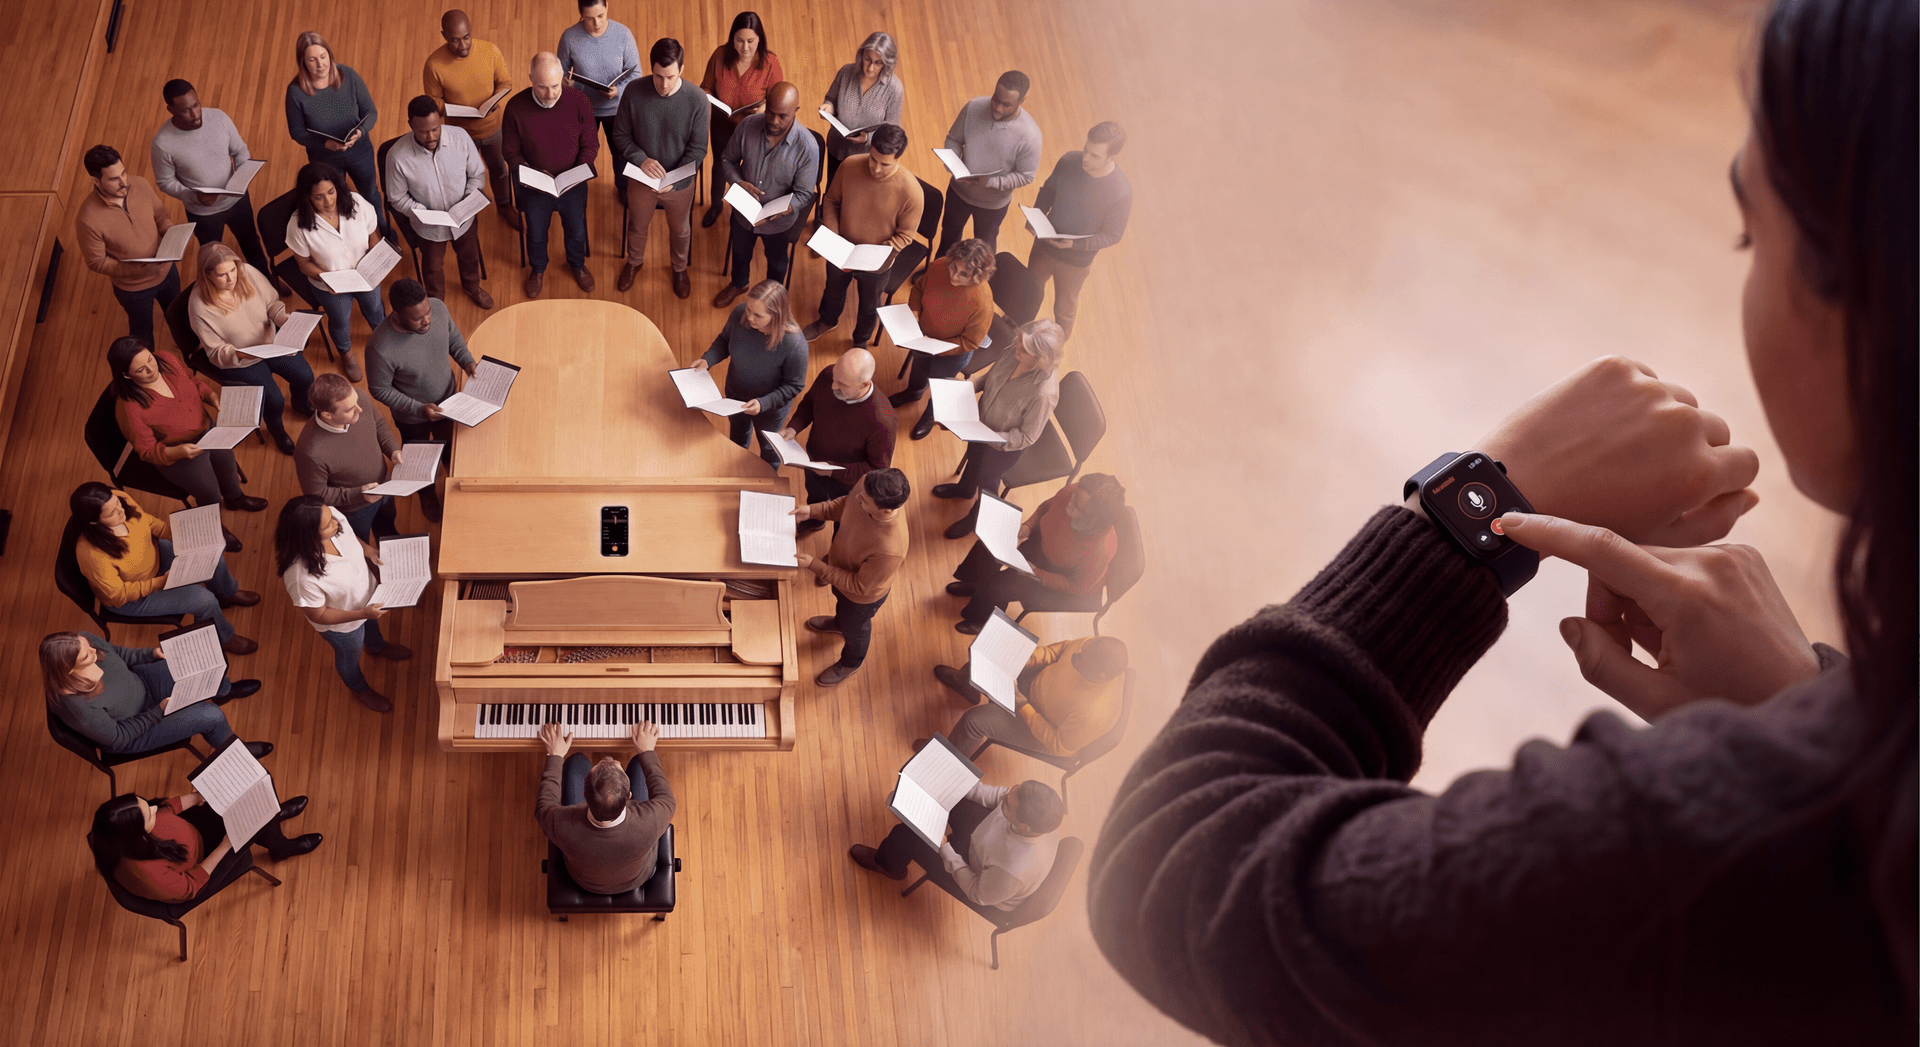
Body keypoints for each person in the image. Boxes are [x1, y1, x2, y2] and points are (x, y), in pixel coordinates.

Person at [1087, 0, 1917, 1041]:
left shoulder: (1737, 857)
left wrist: (1468, 511)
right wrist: (1809, 701)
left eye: (1756, 234)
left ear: (1872, 307)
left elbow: (1181, 862)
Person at [66, 482, 259, 656]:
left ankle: (226, 593)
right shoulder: (92, 555)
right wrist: (161, 582)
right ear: (94, 522)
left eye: (117, 503)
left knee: (210, 555)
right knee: (204, 600)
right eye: (112, 513)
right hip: (133, 597)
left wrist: (180, 537)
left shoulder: (118, 499)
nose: (121, 510)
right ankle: (224, 637)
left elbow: (147, 522)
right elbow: (117, 595)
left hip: (155, 555)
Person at [108, 338, 269, 523]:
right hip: (178, 452)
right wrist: (178, 452)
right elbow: (146, 450)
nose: (152, 369)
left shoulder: (166, 359)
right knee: (210, 495)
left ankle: (235, 499)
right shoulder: (129, 408)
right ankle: (214, 526)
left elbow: (192, 381)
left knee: (228, 466)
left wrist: (211, 395)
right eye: (140, 370)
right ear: (126, 375)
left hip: (207, 430)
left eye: (150, 359)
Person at [274, 495, 411, 713]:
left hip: (368, 598)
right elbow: (318, 615)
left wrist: (368, 550)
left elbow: (350, 535)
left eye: (331, 516)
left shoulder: (331, 515)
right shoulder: (301, 576)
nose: (336, 521)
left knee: (372, 628)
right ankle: (358, 687)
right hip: (344, 626)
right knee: (350, 656)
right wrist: (361, 614)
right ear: (308, 536)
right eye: (328, 525)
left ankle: (376, 647)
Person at [933, 319, 1065, 538]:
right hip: (981, 425)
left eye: (1024, 350)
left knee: (987, 481)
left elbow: (1027, 437)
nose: (1017, 348)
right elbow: (990, 378)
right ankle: (965, 489)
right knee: (974, 457)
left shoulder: (1043, 393)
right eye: (1018, 342)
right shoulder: (1015, 349)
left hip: (1003, 447)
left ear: (1042, 359)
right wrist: (965, 389)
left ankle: (975, 518)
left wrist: (988, 436)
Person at [848, 777, 1063, 910]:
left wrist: (944, 847)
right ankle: (908, 808)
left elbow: (977, 892)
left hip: (978, 880)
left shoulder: (1011, 872)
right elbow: (997, 796)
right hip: (983, 845)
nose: (1004, 794)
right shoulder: (1036, 815)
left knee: (905, 835)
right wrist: (955, 785)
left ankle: (888, 865)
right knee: (949, 797)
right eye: (1012, 789)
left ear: (1024, 827)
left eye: (1008, 802)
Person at [187, 242, 317, 456]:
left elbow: (271, 304)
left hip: (269, 343)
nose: (232, 278)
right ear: (207, 275)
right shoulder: (198, 306)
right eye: (222, 275)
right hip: (240, 359)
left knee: (305, 375)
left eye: (233, 269)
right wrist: (241, 353)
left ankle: (301, 403)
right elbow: (215, 352)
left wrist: (282, 318)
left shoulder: (247, 272)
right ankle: (278, 431)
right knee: (274, 399)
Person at [949, 474, 1123, 634]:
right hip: (1041, 540)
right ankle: (977, 585)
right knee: (985, 549)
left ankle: (982, 620)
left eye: (1077, 505)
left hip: (1056, 575)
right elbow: (1045, 507)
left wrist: (1037, 573)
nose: (1070, 501)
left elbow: (1078, 586)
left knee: (999, 585)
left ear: (1094, 519)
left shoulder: (1100, 550)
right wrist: (1028, 525)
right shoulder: (1073, 493)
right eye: (1075, 495)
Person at [42, 631, 264, 756]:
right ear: (70, 671)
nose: (93, 651)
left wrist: (150, 653)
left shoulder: (84, 642)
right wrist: (158, 712)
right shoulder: (75, 706)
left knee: (198, 666)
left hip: (141, 683)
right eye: (86, 656)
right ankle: (236, 751)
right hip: (134, 731)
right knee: (210, 715)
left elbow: (116, 653)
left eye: (88, 646)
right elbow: (118, 738)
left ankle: (223, 691)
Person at [801, 124, 922, 348]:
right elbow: (831, 201)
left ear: (898, 159)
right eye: (873, 159)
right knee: (833, 288)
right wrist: (835, 239)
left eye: (884, 164)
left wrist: (871, 257)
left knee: (870, 305)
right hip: (841, 249)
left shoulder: (912, 192)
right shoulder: (850, 165)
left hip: (877, 261)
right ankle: (827, 321)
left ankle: (860, 340)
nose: (875, 168)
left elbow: (904, 236)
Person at [88, 788, 319, 904]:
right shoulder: (146, 873)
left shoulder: (117, 832)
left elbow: (165, 809)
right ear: (135, 835)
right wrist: (224, 846)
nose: (154, 810)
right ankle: (280, 845)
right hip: (203, 869)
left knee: (247, 805)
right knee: (257, 820)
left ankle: (272, 818)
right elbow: (190, 887)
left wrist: (196, 796)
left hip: (188, 835)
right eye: (149, 815)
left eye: (147, 805)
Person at [364, 278, 474, 521]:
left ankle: (452, 473)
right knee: (418, 462)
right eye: (417, 318)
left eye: (428, 312)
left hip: (449, 402)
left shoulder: (438, 308)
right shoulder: (379, 347)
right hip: (413, 418)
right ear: (397, 315)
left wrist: (467, 361)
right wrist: (419, 409)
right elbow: (380, 390)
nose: (427, 320)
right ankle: (426, 495)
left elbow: (452, 338)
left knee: (450, 446)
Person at [609, 38, 708, 298]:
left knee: (681, 229)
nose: (664, 84)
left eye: (671, 77)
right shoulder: (633, 91)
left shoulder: (697, 99)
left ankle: (679, 268)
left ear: (682, 70)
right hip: (642, 178)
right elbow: (620, 135)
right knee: (637, 225)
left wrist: (678, 180)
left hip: (680, 182)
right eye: (658, 76)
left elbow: (698, 150)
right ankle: (634, 262)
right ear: (650, 68)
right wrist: (641, 159)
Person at [793, 468, 910, 687]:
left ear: (885, 510)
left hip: (861, 598)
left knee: (856, 629)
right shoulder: (868, 484)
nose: (858, 498)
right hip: (843, 570)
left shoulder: (891, 548)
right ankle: (839, 623)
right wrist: (811, 511)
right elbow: (847, 505)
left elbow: (859, 586)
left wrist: (815, 566)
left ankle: (851, 662)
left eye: (864, 501)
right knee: (843, 613)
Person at [536, 720, 676, 896]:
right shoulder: (651, 822)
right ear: (629, 797)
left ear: (584, 796)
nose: (608, 758)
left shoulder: (562, 825)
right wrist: (647, 751)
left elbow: (544, 806)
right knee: (640, 763)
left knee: (577, 760)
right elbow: (667, 799)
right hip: (638, 877)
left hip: (584, 881)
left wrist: (555, 754)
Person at [150, 79, 273, 276]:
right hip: (203, 213)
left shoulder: (218, 118)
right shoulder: (162, 143)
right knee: (213, 259)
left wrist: (242, 174)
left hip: (237, 199)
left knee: (251, 242)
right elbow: (165, 182)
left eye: (196, 105)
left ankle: (268, 283)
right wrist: (192, 196)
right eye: (185, 110)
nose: (195, 114)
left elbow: (240, 150)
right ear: (171, 109)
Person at [932, 635, 1127, 757]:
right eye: (1081, 650)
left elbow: (1058, 745)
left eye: (1080, 658)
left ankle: (944, 760)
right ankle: (966, 684)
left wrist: (1023, 708)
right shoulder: (1090, 648)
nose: (1076, 654)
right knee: (990, 654)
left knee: (973, 721)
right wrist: (1024, 660)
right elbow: (1058, 651)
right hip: (1036, 685)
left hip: (1040, 728)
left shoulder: (1095, 715)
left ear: (1099, 677)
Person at [712, 81, 818, 306]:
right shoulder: (748, 125)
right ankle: (739, 283)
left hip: (779, 223)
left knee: (777, 263)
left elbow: (804, 193)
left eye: (782, 116)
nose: (773, 121)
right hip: (744, 213)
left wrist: (785, 209)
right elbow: (727, 159)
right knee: (740, 253)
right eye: (770, 112)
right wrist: (738, 182)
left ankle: (772, 299)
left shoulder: (808, 147)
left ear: (795, 112)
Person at [502, 52, 598, 298]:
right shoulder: (515, 107)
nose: (550, 94)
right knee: (535, 232)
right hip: (535, 186)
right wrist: (532, 172)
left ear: (564, 78)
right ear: (530, 79)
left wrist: (578, 170)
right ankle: (538, 269)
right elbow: (511, 153)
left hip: (572, 182)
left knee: (576, 230)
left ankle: (577, 264)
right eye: (542, 87)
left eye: (555, 86)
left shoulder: (580, 101)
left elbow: (590, 145)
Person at [385, 95, 495, 308]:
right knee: (432, 267)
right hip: (429, 227)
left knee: (469, 257)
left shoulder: (461, 137)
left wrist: (467, 201)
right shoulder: (397, 157)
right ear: (410, 125)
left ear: (441, 120)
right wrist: (421, 211)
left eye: (435, 128)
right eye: (423, 131)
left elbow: (477, 174)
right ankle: (435, 303)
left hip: (465, 218)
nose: (431, 136)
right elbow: (396, 197)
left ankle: (472, 287)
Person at [1026, 123, 1132, 341]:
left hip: (1075, 262)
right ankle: (1012, 331)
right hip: (1044, 245)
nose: (1085, 158)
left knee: (1064, 310)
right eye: (1086, 150)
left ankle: (1053, 355)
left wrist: (1075, 245)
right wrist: (1036, 217)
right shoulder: (1068, 161)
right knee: (1027, 292)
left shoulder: (1121, 192)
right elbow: (1047, 191)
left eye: (1095, 155)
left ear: (1111, 157)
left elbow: (1113, 235)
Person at [284, 162, 385, 382]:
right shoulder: (298, 225)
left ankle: (384, 337)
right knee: (340, 320)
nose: (328, 201)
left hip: (365, 273)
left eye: (331, 192)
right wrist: (326, 279)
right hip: (330, 283)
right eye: (319, 197)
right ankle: (346, 352)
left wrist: (377, 260)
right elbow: (304, 264)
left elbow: (373, 235)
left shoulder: (356, 202)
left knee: (375, 306)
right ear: (307, 197)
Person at [284, 31, 387, 239]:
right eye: (312, 60)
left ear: (330, 55)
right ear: (303, 62)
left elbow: (370, 112)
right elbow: (296, 132)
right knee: (336, 204)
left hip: (359, 151)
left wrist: (361, 131)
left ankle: (384, 234)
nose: (320, 65)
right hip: (324, 159)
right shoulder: (295, 92)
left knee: (371, 195)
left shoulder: (348, 76)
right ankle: (353, 240)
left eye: (323, 57)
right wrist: (325, 145)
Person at [422, 8, 518, 231]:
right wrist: (456, 109)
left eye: (466, 37)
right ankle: (467, 215)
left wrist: (495, 101)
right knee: (463, 176)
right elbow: (433, 102)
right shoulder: (434, 65)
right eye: (455, 40)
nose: (463, 45)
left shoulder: (489, 51)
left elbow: (505, 83)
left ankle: (504, 206)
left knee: (499, 169)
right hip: (460, 134)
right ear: (444, 35)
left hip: (494, 128)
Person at [890, 238, 996, 438]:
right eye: (953, 267)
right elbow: (919, 289)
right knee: (918, 369)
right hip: (922, 335)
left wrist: (937, 348)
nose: (954, 276)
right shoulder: (939, 265)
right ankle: (914, 392)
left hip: (952, 352)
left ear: (979, 276)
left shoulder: (982, 302)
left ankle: (931, 413)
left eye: (963, 274)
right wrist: (914, 311)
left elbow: (970, 342)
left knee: (940, 385)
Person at [76, 145, 180, 347]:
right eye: (114, 179)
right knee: (142, 335)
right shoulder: (87, 218)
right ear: (96, 181)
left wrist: (172, 235)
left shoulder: (139, 184)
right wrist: (132, 270)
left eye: (123, 173)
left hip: (167, 271)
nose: (124, 182)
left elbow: (161, 217)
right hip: (134, 290)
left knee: (178, 317)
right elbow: (96, 262)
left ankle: (188, 355)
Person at [695, 279, 807, 464]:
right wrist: (708, 360)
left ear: (776, 315)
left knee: (769, 449)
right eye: (749, 309)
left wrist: (763, 403)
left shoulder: (795, 345)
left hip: (769, 410)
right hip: (735, 396)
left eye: (758, 315)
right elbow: (724, 340)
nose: (749, 317)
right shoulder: (740, 313)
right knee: (738, 438)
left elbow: (793, 386)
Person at [780, 346, 897, 515]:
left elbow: (876, 469)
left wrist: (833, 470)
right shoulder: (829, 375)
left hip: (847, 483)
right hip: (812, 460)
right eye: (835, 378)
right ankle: (814, 521)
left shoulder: (883, 421)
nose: (833, 386)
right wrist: (794, 427)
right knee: (814, 498)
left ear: (864, 384)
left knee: (841, 515)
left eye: (842, 384)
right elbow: (809, 403)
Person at [935, 71, 1041, 258]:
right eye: (996, 99)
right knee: (948, 238)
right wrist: (953, 165)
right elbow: (954, 139)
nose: (998, 108)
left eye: (1007, 104)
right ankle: (937, 280)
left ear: (1022, 101)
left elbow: (1026, 176)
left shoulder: (1030, 135)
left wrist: (991, 183)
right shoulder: (973, 107)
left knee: (984, 253)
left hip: (992, 206)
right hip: (958, 192)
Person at [698, 12, 783, 227]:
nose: (745, 47)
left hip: (754, 125)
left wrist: (765, 107)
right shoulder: (719, 55)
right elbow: (706, 86)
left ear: (759, 40)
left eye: (750, 41)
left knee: (751, 168)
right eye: (739, 41)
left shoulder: (770, 63)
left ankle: (742, 210)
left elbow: (779, 98)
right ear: (732, 38)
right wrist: (707, 96)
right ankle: (716, 204)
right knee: (720, 164)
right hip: (722, 121)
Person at [295, 373, 401, 542]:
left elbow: (379, 424)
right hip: (356, 509)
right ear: (327, 415)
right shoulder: (310, 452)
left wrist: (393, 451)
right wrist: (358, 495)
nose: (359, 409)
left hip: (386, 485)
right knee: (361, 543)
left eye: (356, 401)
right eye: (350, 409)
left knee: (387, 525)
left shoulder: (360, 400)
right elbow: (316, 494)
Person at [557, 0, 642, 201]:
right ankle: (578, 190)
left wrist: (618, 91)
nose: (596, 24)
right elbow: (559, 71)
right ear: (580, 14)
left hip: (617, 108)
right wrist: (564, 83)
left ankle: (622, 188)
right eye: (589, 18)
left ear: (607, 9)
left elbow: (636, 73)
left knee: (620, 153)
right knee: (579, 153)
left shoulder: (623, 34)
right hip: (583, 109)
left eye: (600, 16)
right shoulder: (569, 37)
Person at [817, 32, 906, 192]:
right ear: (861, 55)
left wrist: (868, 138)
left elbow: (892, 132)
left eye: (878, 63)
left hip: (866, 158)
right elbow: (831, 98)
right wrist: (828, 106)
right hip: (837, 147)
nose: (870, 68)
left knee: (853, 197)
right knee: (831, 191)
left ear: (888, 64)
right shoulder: (846, 72)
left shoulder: (895, 90)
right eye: (867, 59)